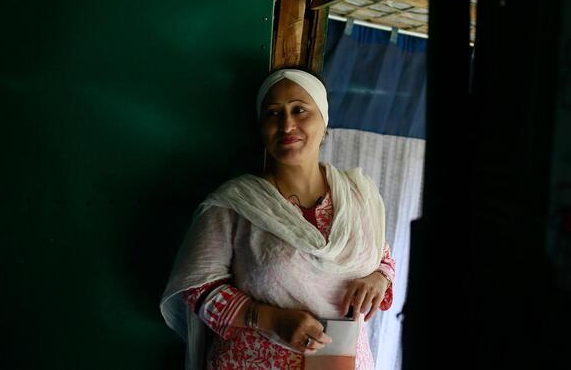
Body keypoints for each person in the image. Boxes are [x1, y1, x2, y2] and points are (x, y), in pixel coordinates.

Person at [160, 68, 396, 369]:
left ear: (324, 120)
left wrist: (378, 279)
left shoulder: (359, 197)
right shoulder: (236, 204)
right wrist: (271, 320)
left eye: (299, 109)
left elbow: (382, 258)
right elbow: (198, 288)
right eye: (273, 113)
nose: (287, 124)